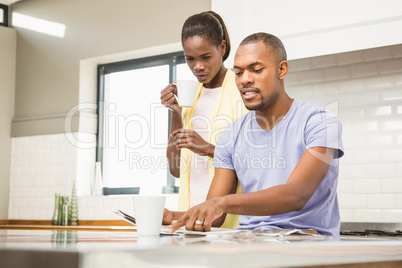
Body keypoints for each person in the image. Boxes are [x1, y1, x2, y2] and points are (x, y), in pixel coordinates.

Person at [164, 32, 344, 238]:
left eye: (256, 70)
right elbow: (216, 217)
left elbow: (297, 194)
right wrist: (174, 217)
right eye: (238, 73)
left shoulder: (320, 122)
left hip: (308, 243)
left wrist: (221, 203)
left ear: (282, 70)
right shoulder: (231, 135)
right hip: (250, 241)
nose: (245, 80)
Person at [160, 11, 247, 228]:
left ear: (222, 48)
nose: (197, 66)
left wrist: (207, 148)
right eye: (190, 58)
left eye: (205, 57)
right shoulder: (191, 96)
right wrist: (176, 112)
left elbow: (254, 163)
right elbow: (175, 169)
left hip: (230, 226)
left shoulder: (241, 91)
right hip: (190, 220)